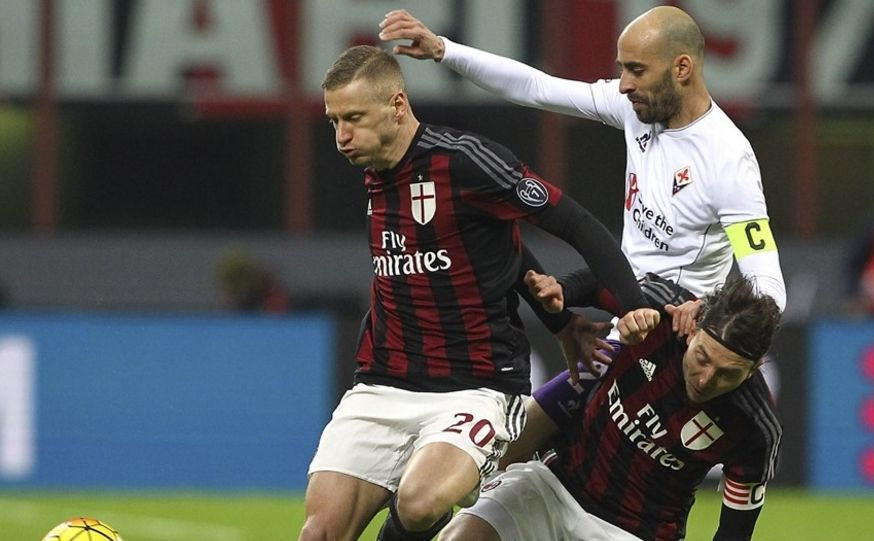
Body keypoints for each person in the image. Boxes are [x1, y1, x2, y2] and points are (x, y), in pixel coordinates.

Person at [299, 45, 648, 541]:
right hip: (383, 382)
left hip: (476, 385)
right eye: (334, 121)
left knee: (419, 502)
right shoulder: (376, 169)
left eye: (353, 118)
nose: (341, 137)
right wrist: (561, 324)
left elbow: (577, 223)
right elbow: (495, 247)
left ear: (397, 105)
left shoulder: (464, 161)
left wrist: (634, 308)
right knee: (319, 532)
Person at [378, 5, 787, 340]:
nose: (623, 85)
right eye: (622, 69)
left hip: (675, 333)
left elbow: (769, 290)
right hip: (629, 308)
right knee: (540, 414)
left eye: (637, 70)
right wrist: (444, 50)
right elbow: (536, 88)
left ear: (682, 69)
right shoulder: (635, 111)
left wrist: (711, 310)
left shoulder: (728, 161)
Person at [440, 273, 783, 541]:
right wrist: (562, 299)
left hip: (635, 532)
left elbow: (735, 532)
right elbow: (595, 283)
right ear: (693, 330)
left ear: (755, 368)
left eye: (728, 374)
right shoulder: (658, 310)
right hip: (555, 485)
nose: (706, 379)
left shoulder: (756, 428)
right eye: (702, 358)